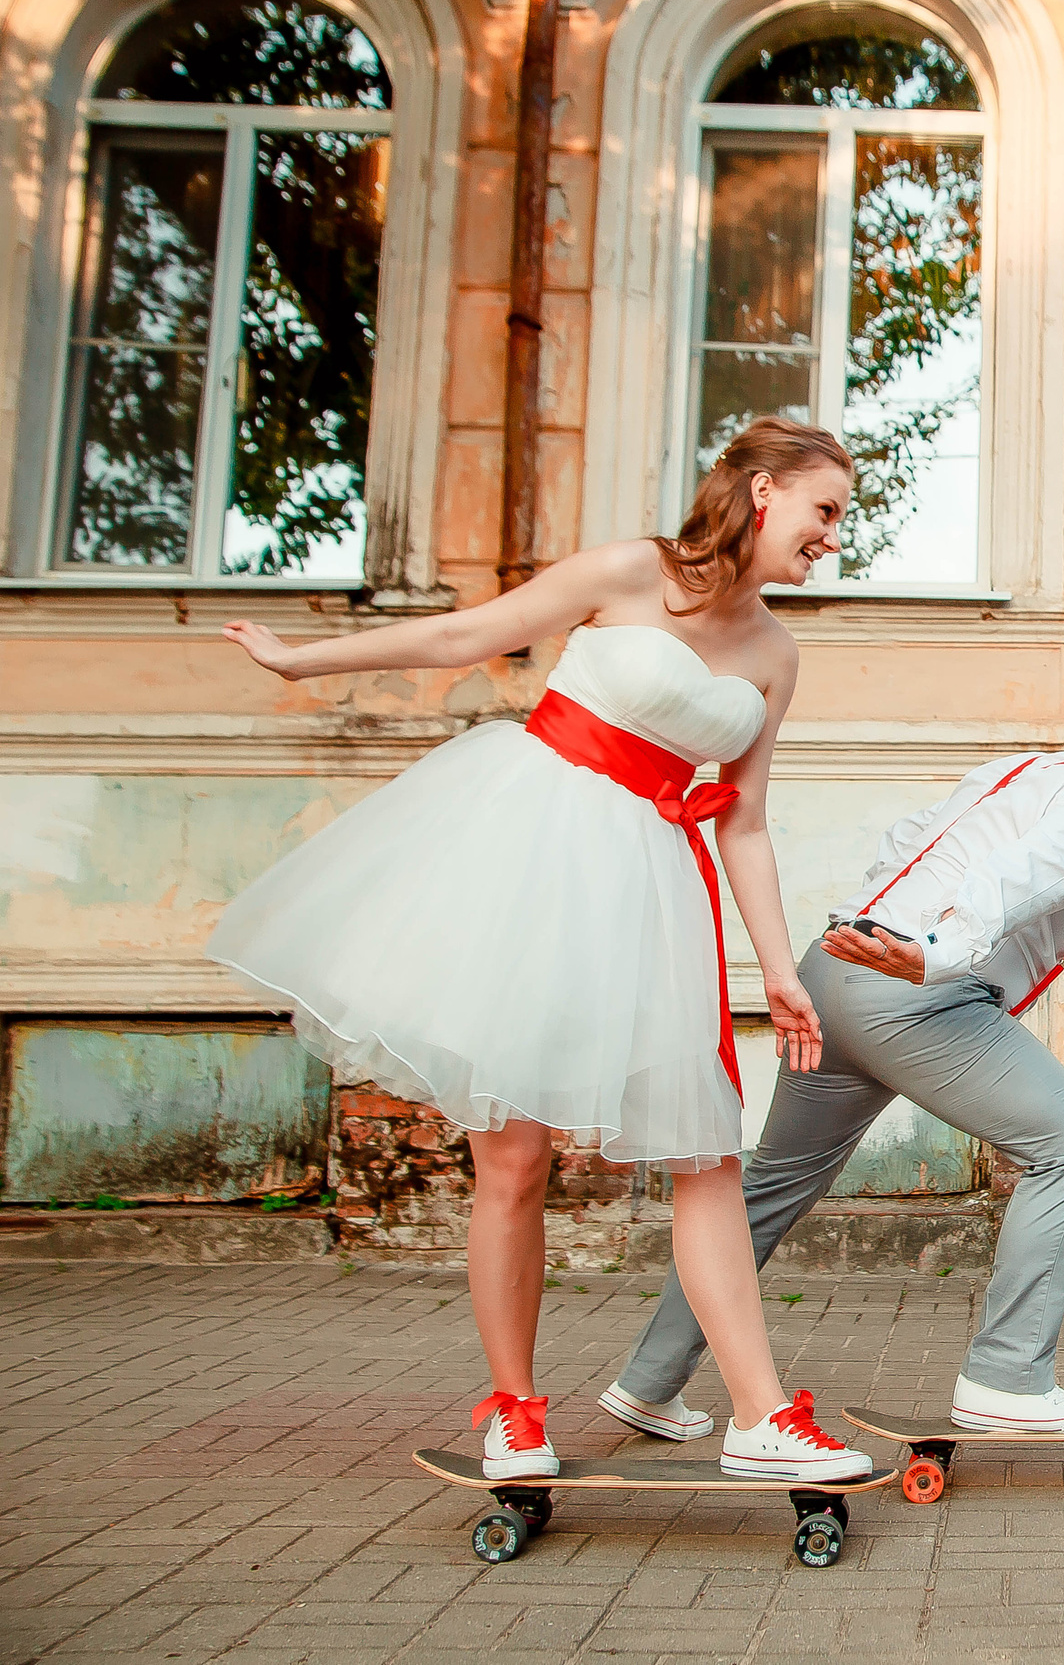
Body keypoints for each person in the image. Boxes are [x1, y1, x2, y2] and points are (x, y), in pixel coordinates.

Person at [210, 416, 874, 1483]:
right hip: (529, 853)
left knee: (703, 1154)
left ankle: (759, 1417)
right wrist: (300, 662)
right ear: (760, 492)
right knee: (514, 1157)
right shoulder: (628, 570)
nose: (833, 537)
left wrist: (778, 971)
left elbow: (741, 820)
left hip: (653, 891)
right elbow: (456, 637)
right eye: (825, 510)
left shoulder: (775, 653)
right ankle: (515, 1413)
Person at [607, 675, 1064, 1434]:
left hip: (834, 972)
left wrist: (879, 933)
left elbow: (909, 838)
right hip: (915, 993)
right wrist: (930, 953)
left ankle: (648, 1380)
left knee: (766, 1187)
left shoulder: (1032, 772)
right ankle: (1008, 1377)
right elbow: (1014, 881)